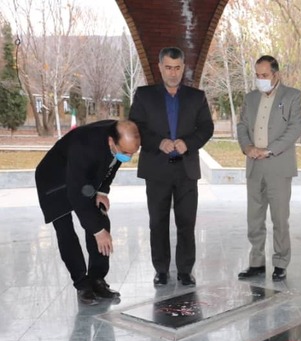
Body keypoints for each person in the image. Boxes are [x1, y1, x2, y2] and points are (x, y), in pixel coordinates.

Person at [129, 46, 214, 287]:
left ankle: (185, 271)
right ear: (160, 67)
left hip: (186, 170)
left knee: (187, 222)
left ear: (183, 68)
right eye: (168, 67)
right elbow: (135, 127)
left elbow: (206, 127)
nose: (173, 73)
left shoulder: (197, 97)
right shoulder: (144, 95)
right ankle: (161, 270)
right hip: (157, 169)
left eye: (177, 68)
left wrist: (189, 143)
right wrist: (158, 142)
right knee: (158, 222)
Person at [35, 120, 140, 305]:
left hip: (83, 176)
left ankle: (97, 279)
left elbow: (113, 163)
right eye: (125, 152)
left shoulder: (121, 138)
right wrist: (97, 231)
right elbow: (76, 194)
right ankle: (82, 284)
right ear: (111, 141)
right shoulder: (84, 146)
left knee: (101, 219)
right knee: (66, 231)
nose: (128, 157)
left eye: (133, 152)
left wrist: (102, 191)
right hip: (54, 180)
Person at [237, 55, 301, 282]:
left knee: (280, 218)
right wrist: (247, 147)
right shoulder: (250, 98)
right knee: (254, 218)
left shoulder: (292, 96)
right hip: (254, 165)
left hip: (279, 166)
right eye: (257, 75)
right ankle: (256, 263)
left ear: (276, 74)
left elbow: (295, 129)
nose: (260, 79)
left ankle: (281, 262)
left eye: (264, 75)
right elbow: (242, 126)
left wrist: (269, 150)